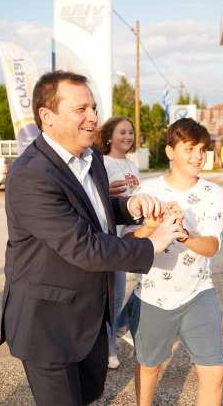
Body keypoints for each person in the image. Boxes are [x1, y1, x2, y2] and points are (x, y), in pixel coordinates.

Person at [0, 70, 184, 406]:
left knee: (88, 397)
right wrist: (152, 244)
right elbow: (83, 246)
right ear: (47, 116)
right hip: (47, 324)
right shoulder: (31, 175)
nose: (93, 117)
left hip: (89, 317)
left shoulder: (92, 157)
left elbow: (92, 209)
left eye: (94, 108)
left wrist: (129, 206)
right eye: (80, 109)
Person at [123, 118, 223, 406]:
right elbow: (127, 245)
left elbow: (212, 246)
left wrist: (184, 235)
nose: (198, 156)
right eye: (189, 148)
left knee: (214, 373)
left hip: (198, 293)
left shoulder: (213, 193)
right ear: (170, 151)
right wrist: (150, 227)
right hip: (153, 296)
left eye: (202, 149)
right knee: (149, 367)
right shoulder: (147, 191)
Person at [97, 116, 140, 369]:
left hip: (132, 235)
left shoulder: (133, 165)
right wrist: (105, 190)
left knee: (146, 284)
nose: (127, 136)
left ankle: (122, 325)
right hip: (111, 240)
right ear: (109, 137)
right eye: (122, 132)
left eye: (130, 132)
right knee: (114, 296)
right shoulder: (102, 163)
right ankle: (109, 348)